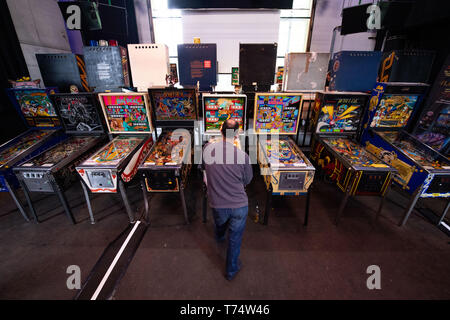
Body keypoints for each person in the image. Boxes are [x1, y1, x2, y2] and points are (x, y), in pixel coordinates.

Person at [203, 119, 253, 281]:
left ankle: (219, 237)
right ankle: (231, 271)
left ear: (221, 131)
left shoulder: (207, 149)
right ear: (237, 135)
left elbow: (204, 170)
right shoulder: (243, 156)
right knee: (235, 239)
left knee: (220, 224)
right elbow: (247, 180)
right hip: (239, 206)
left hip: (217, 203)